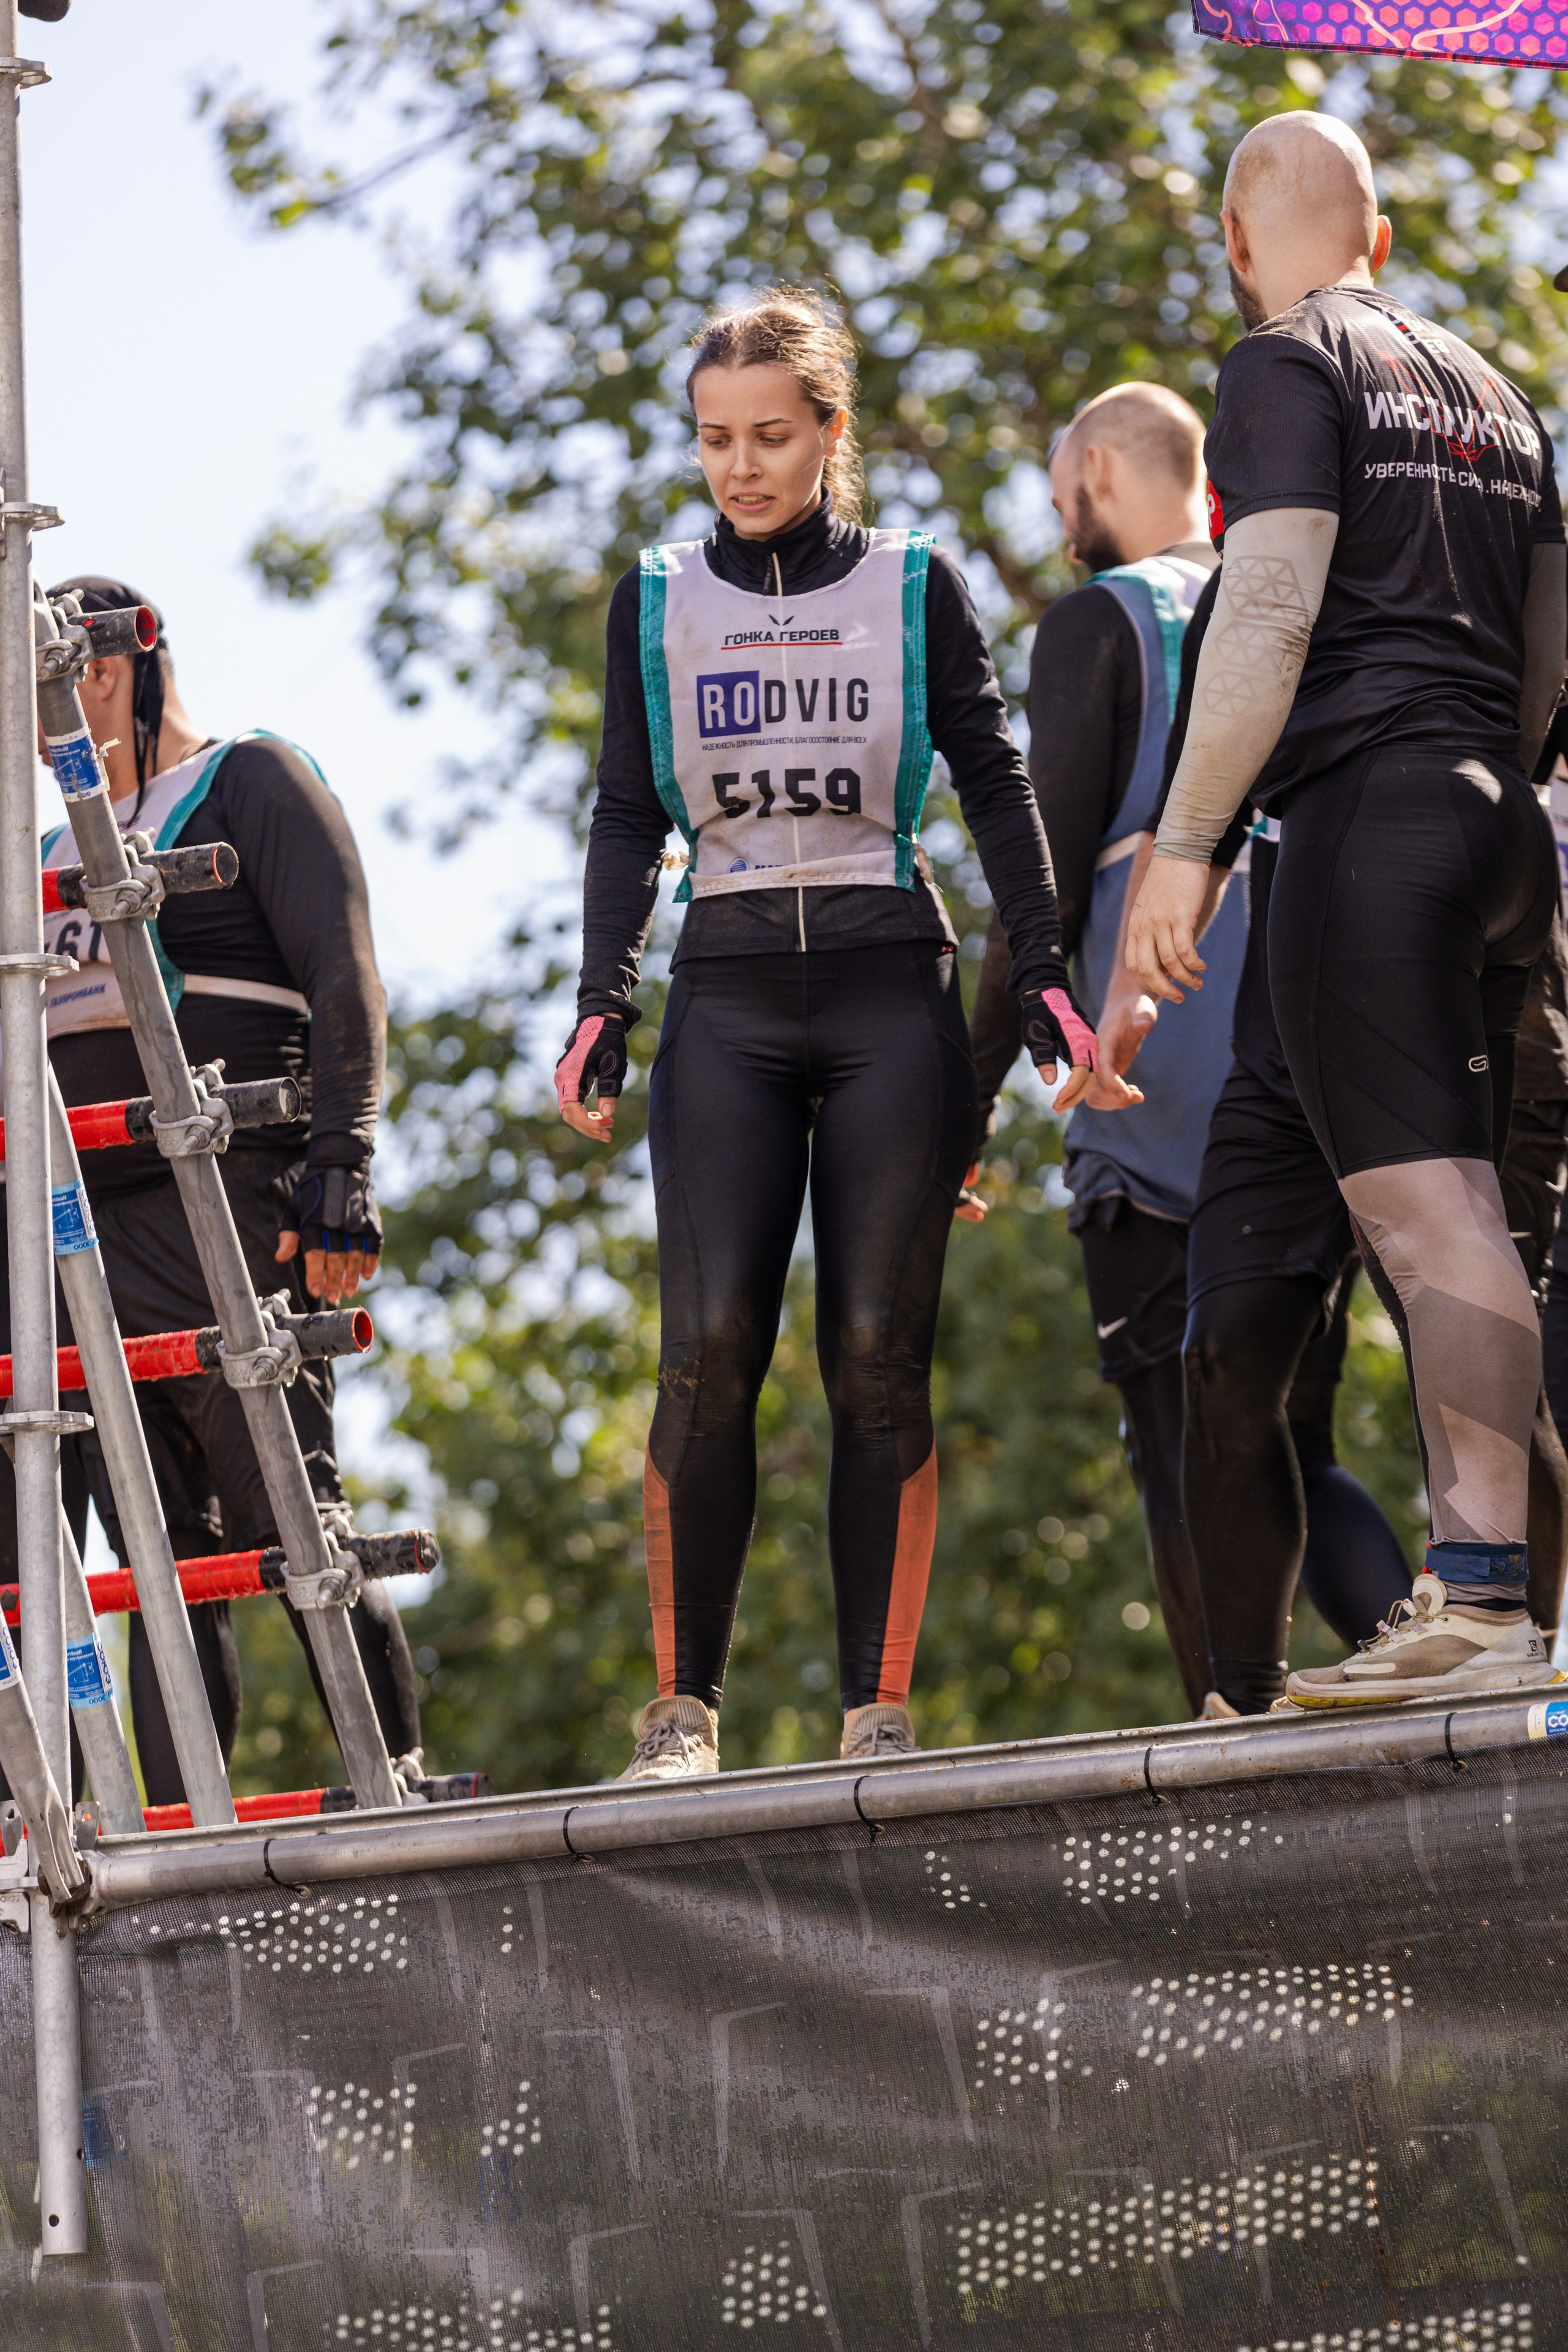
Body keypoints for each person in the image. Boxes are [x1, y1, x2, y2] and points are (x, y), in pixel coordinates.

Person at [557, 288, 1129, 1780]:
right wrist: (599, 998)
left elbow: (998, 788)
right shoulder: (653, 595)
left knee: (876, 1351)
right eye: (711, 440)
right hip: (731, 991)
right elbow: (629, 810)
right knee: (707, 1349)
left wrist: (1052, 978)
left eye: (767, 436)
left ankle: (875, 1714)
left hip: (889, 985)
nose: (737, 468)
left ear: (828, 431)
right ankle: (681, 1716)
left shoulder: (912, 583)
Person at [1126, 113, 1567, 1707]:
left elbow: (1270, 606)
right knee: (1492, 1221)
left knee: (1429, 1215)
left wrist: (1188, 845)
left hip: (1366, 817)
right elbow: (1551, 656)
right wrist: (1481, 789)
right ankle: (1506, 1603)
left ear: (1238, 245)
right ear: (1379, 235)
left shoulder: (1282, 359)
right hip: (1500, 817)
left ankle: (1485, 1597)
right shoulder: (1499, 392)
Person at [0, 576, 421, 1801]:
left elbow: (347, 980)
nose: (33, 733)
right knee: (157, 1545)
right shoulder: (42, 852)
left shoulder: (250, 779)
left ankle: (390, 1778)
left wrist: (343, 1170)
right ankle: (175, 1831)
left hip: (229, 1189)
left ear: (109, 671)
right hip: (83, 1222)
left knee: (287, 1509)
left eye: (44, 694)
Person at [968, 382, 1240, 1712]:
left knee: (1176, 1434)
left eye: (1055, 486)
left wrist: (961, 1110)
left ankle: (1224, 1731)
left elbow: (1044, 879)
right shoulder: (1282, 599)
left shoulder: (1101, 619)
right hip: (1315, 1058)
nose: (1055, 514)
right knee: (1285, 1428)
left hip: (1154, 1084)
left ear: (1091, 470)